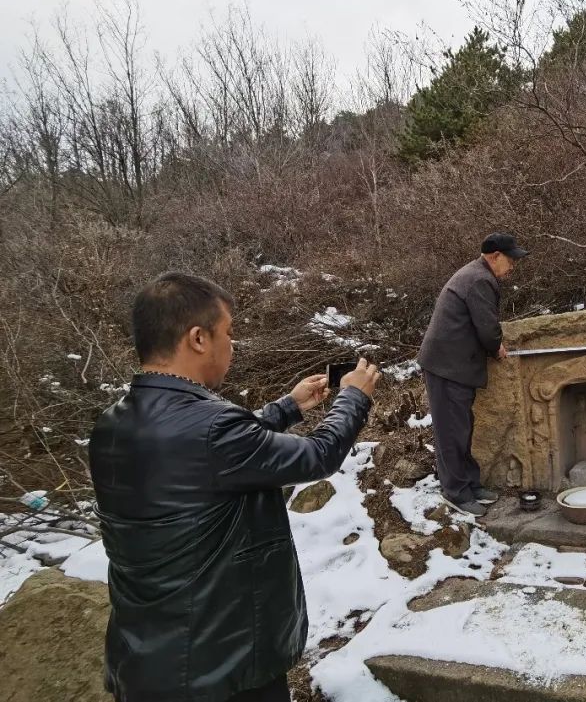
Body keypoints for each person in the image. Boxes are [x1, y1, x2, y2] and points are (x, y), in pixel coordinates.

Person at [89, 273, 380, 702]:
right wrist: (353, 397)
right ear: (198, 338)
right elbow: (317, 455)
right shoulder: (210, 428)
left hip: (146, 660)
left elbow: (213, 456)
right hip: (221, 667)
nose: (232, 344)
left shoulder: (114, 423)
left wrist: (288, 407)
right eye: (228, 332)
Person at [418, 232, 528, 517]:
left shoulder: (476, 274)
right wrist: (496, 347)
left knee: (462, 428)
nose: (513, 266)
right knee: (451, 432)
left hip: (453, 365)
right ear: (495, 256)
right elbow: (487, 327)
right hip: (446, 366)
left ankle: (470, 484)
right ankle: (455, 492)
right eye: (511, 259)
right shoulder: (480, 279)